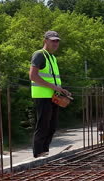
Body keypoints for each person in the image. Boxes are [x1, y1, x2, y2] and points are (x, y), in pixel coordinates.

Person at [29, 30, 72, 158]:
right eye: (53, 41)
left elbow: (52, 78)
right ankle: (38, 153)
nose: (55, 43)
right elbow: (33, 76)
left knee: (52, 126)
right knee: (43, 125)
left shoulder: (52, 57)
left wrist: (62, 90)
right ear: (45, 41)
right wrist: (54, 87)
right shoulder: (39, 55)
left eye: (57, 41)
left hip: (53, 96)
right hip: (42, 96)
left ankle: (45, 151)